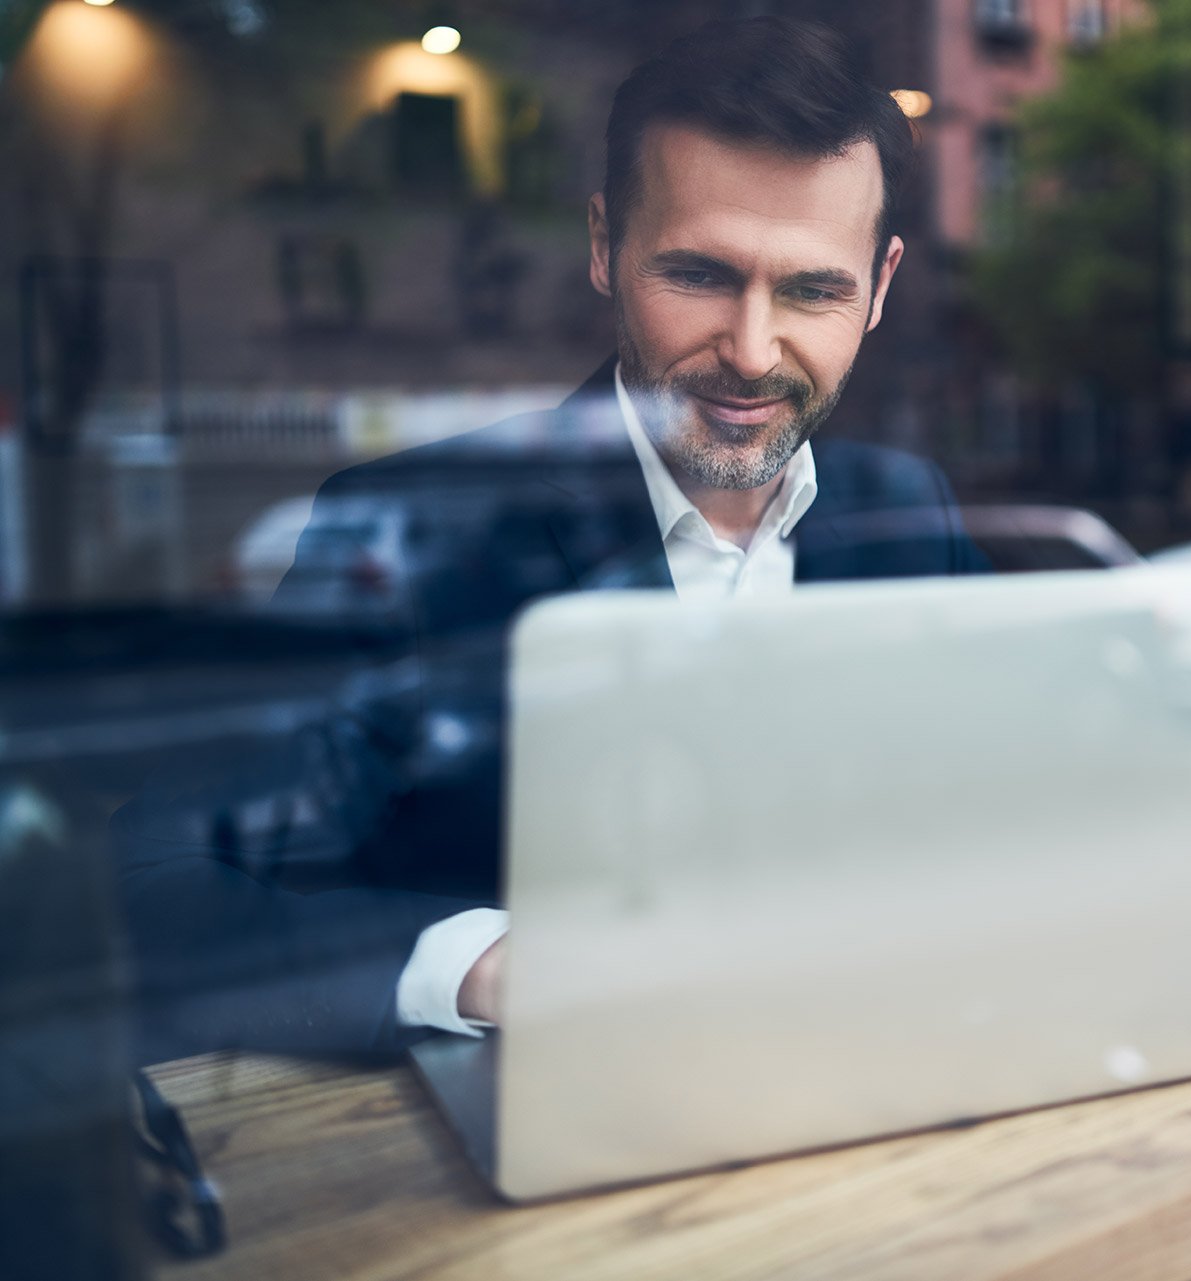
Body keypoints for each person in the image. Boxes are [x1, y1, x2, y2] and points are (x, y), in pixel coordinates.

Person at [112, 18, 987, 1065]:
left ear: (881, 285)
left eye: (811, 289)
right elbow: (162, 877)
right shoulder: (411, 532)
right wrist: (478, 969)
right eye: (701, 275)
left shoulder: (905, 511)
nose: (753, 353)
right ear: (604, 248)